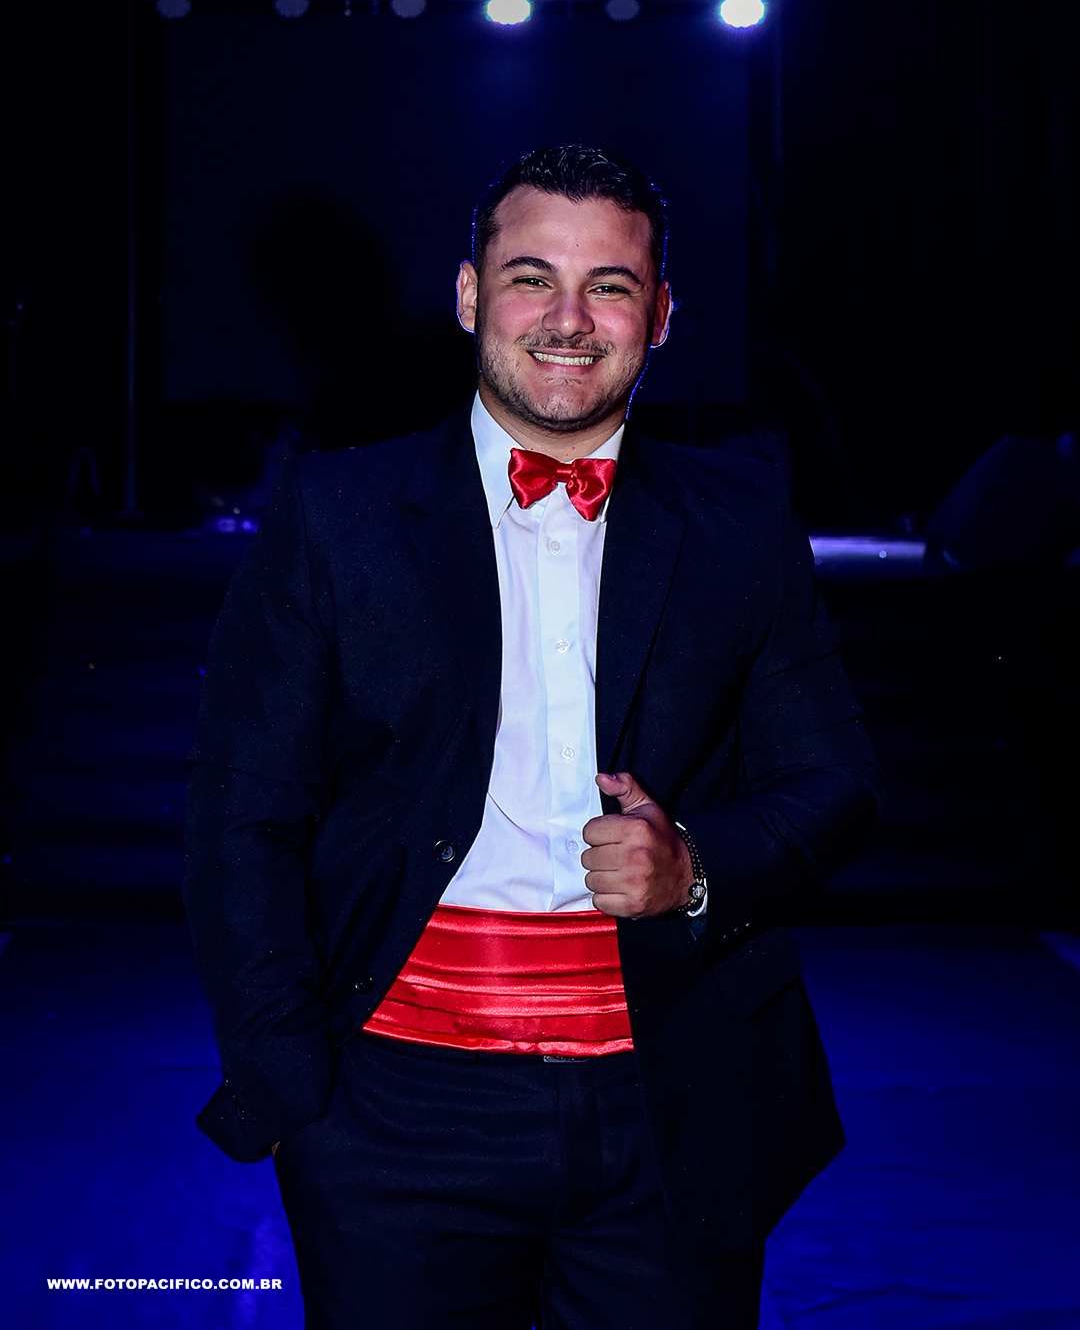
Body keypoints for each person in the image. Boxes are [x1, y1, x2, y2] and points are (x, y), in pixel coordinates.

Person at [184, 144, 883, 1330]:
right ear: (470, 295)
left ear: (660, 314)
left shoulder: (741, 525)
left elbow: (837, 780)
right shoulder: (336, 517)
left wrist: (693, 865)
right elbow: (239, 812)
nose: (569, 318)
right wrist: (293, 1083)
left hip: (670, 1105)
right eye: (530, 277)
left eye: (610, 284)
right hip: (390, 1112)